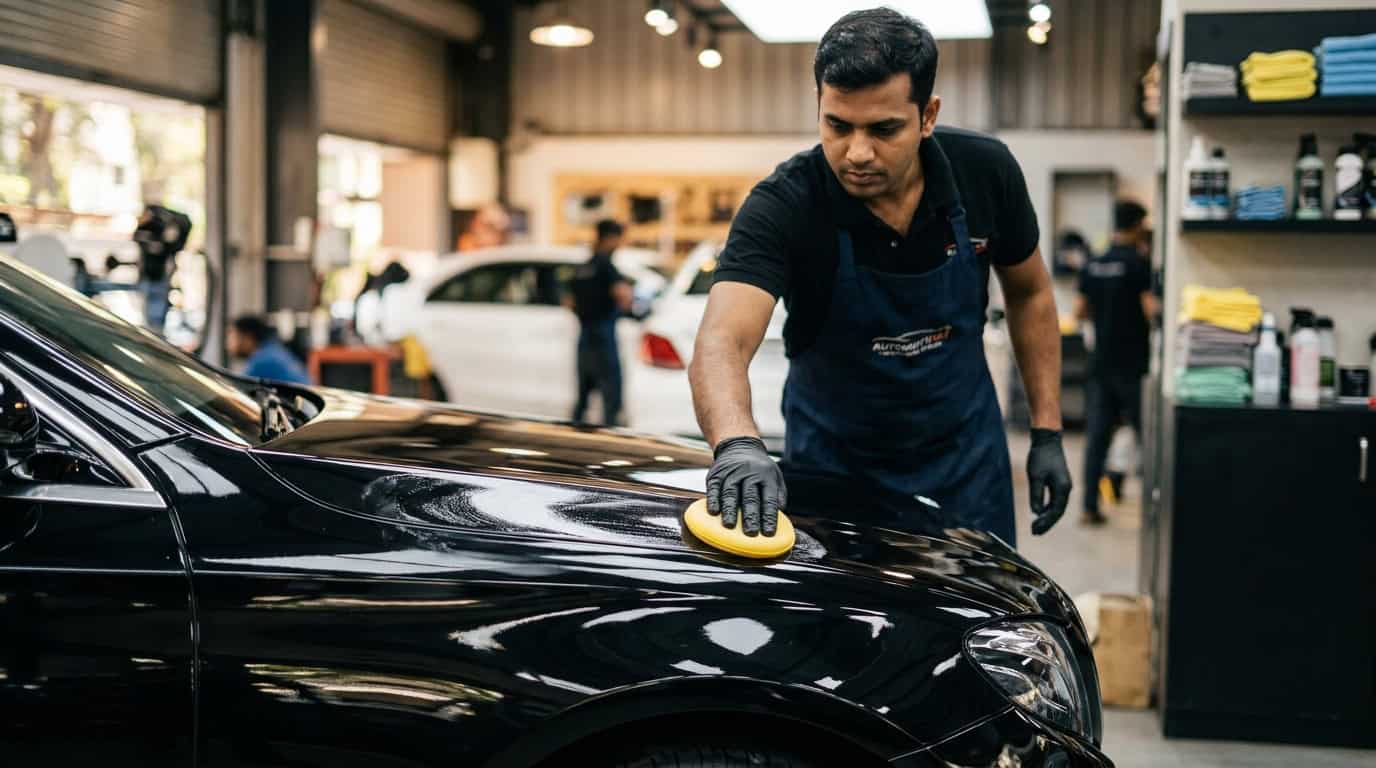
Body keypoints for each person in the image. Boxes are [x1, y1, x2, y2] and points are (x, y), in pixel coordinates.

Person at [689, 8, 1071, 545]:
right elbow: (722, 338)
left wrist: (1047, 430)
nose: (858, 153)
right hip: (836, 468)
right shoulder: (785, 204)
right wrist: (736, 443)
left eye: (884, 129)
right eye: (837, 126)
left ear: (928, 115)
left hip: (964, 460)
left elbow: (1030, 292)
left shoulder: (985, 172)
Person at [1073, 200, 1158, 525]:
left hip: (1101, 363)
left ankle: (1089, 507)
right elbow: (1150, 310)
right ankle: (1154, 510)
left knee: (1097, 436)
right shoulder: (1138, 263)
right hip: (1133, 364)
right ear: (1137, 225)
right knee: (1143, 434)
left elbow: (1080, 312)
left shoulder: (1094, 262)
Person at [568, 219, 633, 426]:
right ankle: (612, 440)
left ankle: (576, 437)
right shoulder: (607, 267)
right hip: (604, 336)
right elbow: (623, 297)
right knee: (611, 396)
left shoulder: (583, 267)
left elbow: (568, 302)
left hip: (585, 337)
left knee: (583, 397)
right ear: (611, 238)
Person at [132, 205, 191, 333]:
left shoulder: (165, 234)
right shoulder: (146, 234)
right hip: (151, 279)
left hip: (158, 280)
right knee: (150, 322)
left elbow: (184, 223)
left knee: (155, 324)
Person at [228, 315, 312, 386]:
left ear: (248, 337)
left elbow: (239, 390)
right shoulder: (272, 350)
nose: (228, 343)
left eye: (233, 336)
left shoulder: (261, 361)